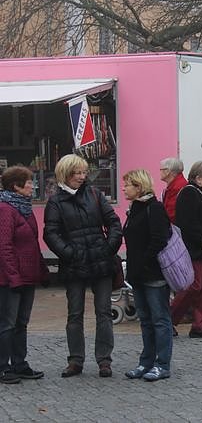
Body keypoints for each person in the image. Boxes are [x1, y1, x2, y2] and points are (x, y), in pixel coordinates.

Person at [44, 154, 122, 378]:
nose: (81, 176)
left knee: (104, 312)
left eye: (83, 172)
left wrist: (108, 249)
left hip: (101, 260)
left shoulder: (95, 194)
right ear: (65, 174)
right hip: (74, 264)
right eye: (77, 172)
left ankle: (104, 360)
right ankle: (75, 360)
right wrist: (71, 254)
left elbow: (114, 223)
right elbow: (51, 234)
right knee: (74, 314)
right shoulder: (56, 201)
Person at [121, 169, 173, 381]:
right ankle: (146, 362)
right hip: (137, 275)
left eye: (128, 185)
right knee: (145, 320)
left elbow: (160, 239)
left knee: (160, 319)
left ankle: (162, 364)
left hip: (153, 274)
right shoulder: (134, 209)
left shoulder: (155, 208)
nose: (124, 188)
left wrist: (143, 261)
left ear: (139, 187)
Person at [0, 166, 49, 384]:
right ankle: (3, 366)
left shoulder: (24, 208)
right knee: (7, 324)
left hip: (27, 277)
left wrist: (42, 270)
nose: (32, 185)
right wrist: (13, 277)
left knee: (21, 323)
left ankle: (20, 363)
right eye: (29, 182)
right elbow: (4, 246)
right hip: (10, 279)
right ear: (16, 186)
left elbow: (32, 243)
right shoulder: (5, 209)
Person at [171, 161, 202, 339]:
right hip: (194, 249)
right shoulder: (189, 193)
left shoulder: (199, 194)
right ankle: (169, 319)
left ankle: (199, 325)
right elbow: (187, 221)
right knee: (193, 286)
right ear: (198, 179)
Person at [159, 157, 188, 223]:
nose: (160, 172)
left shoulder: (177, 187)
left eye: (161, 169)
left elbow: (171, 215)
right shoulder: (175, 184)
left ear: (167, 171)